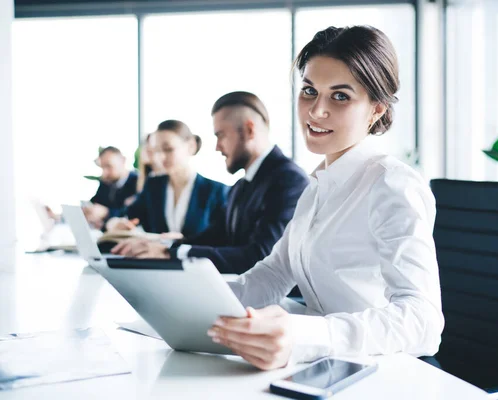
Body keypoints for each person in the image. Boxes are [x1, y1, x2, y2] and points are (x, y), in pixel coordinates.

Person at [202, 26, 445, 370]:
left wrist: (306, 335)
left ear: (376, 109)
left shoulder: (391, 185)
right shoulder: (317, 186)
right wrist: (195, 299)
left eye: (340, 96)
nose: (316, 111)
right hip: (324, 367)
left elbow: (423, 321)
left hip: (383, 372)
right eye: (309, 91)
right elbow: (274, 274)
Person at [111, 92, 309, 275]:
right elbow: (215, 237)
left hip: (282, 306)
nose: (216, 147)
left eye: (220, 135)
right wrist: (167, 245)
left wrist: (173, 252)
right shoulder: (241, 187)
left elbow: (262, 256)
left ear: (249, 130)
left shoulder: (289, 181)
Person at [106, 120, 229, 238]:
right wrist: (115, 223)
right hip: (156, 259)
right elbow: (127, 214)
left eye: (168, 149)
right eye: (156, 151)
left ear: (191, 146)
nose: (160, 157)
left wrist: (184, 242)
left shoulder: (217, 191)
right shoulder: (154, 186)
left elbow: (223, 239)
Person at [83, 146, 138, 229]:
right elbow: (94, 203)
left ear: (122, 161)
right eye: (102, 167)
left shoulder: (138, 182)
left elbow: (133, 214)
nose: (105, 172)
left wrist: (107, 213)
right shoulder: (106, 183)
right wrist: (89, 211)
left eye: (109, 166)